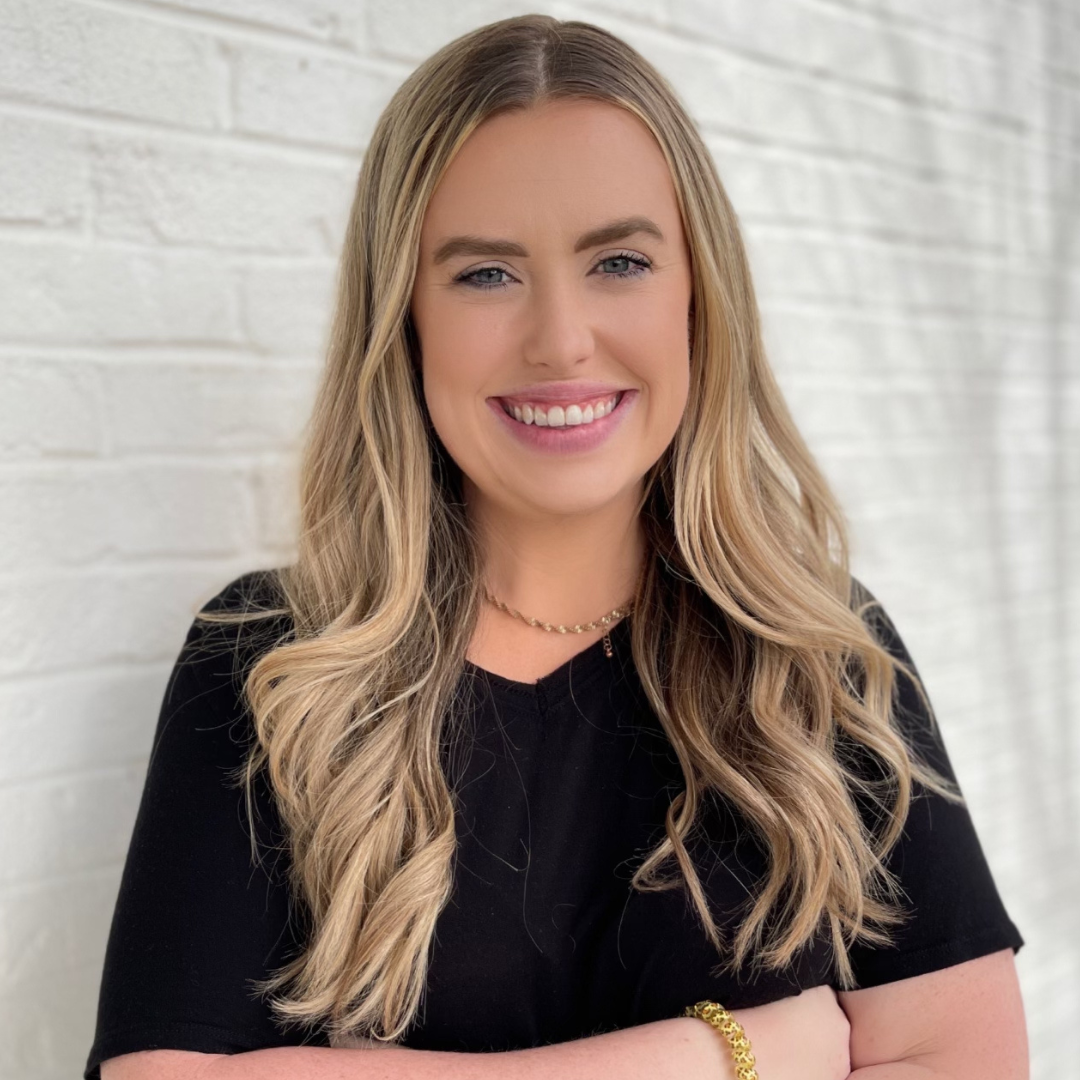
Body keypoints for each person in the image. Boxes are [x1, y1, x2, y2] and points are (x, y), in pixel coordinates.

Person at [87, 14, 1028, 1080]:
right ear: (403, 319)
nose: (562, 340)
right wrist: (731, 1054)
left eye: (619, 260)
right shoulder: (269, 662)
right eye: (485, 275)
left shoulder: (818, 655)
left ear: (697, 298)